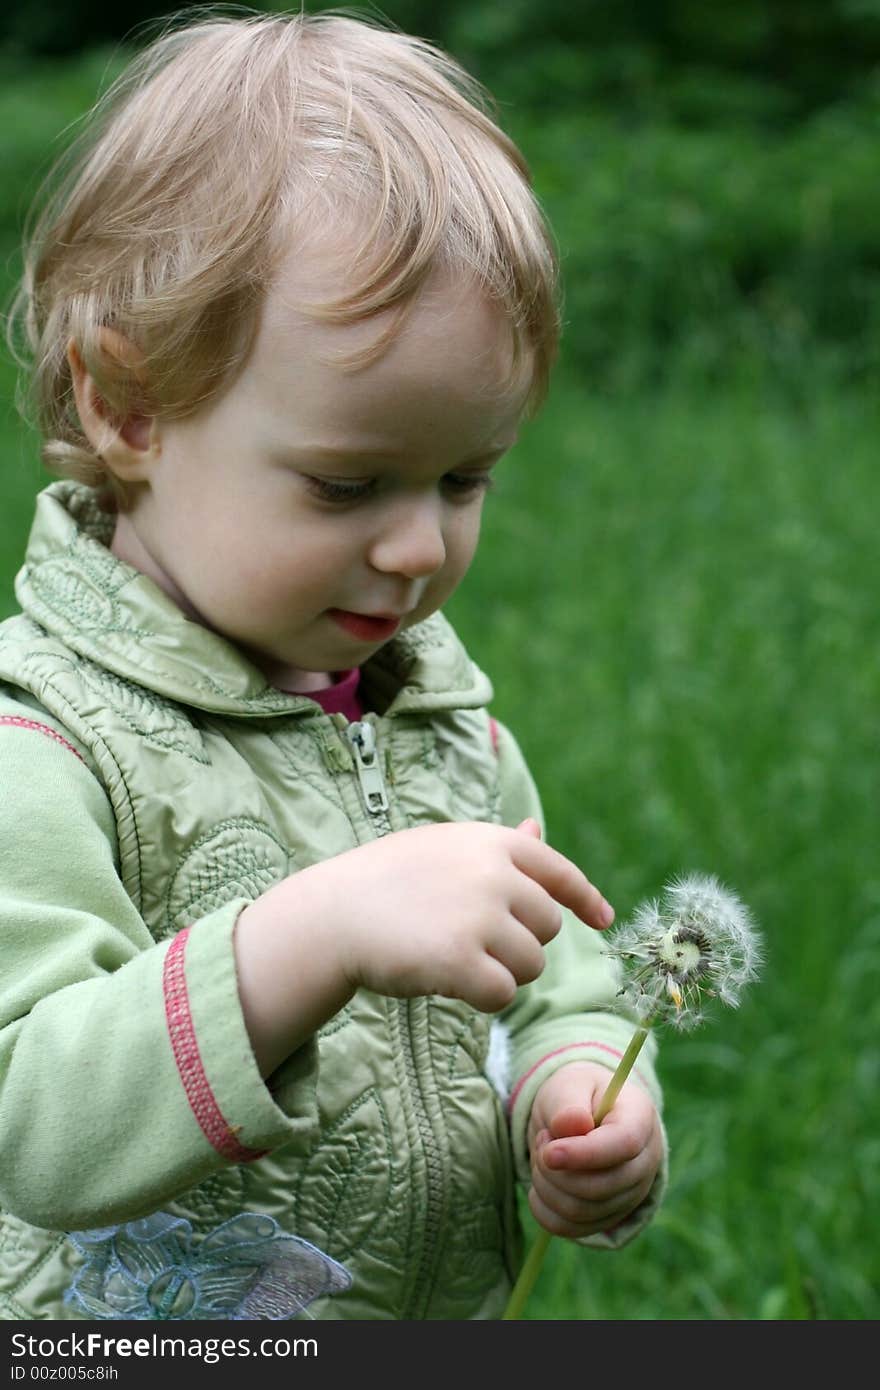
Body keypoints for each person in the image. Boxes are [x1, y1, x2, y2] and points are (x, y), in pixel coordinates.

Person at [0, 9, 666, 1321]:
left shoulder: (443, 729)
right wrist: (307, 934)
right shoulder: (46, 747)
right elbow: (32, 1115)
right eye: (347, 482)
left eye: (465, 477)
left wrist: (584, 1085)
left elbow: (555, 980)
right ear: (126, 407)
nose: (420, 544)